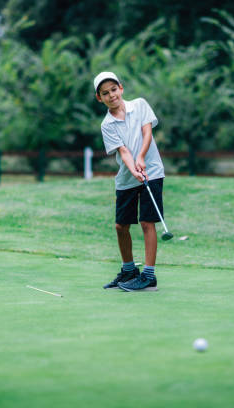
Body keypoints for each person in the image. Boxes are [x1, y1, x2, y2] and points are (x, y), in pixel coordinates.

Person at [94, 72, 166, 292]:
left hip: (151, 171)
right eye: (105, 93)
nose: (111, 95)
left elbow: (147, 134)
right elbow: (123, 151)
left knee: (147, 222)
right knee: (120, 226)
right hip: (127, 177)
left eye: (113, 90)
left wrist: (141, 158)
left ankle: (149, 275)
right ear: (100, 98)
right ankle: (128, 270)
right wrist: (133, 168)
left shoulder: (140, 105)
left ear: (121, 88)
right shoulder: (107, 124)